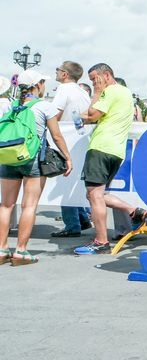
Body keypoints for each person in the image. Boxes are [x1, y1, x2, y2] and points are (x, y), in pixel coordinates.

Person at [74, 64, 147, 255]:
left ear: (106, 75)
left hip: (101, 147)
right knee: (95, 194)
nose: (94, 83)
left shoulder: (109, 92)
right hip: (116, 151)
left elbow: (92, 115)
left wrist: (97, 92)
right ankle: (134, 210)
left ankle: (101, 241)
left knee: (95, 195)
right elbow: (95, 115)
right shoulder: (125, 93)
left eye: (94, 79)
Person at [0, 70, 73, 265]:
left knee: (6, 205)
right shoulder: (44, 107)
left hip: (8, 157)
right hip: (31, 159)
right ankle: (21, 251)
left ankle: (1, 249)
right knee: (29, 205)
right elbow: (56, 136)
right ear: (38, 85)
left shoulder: (11, 106)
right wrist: (67, 157)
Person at [50, 61, 93, 238]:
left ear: (65, 74)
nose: (56, 72)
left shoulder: (63, 89)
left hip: (66, 138)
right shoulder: (82, 91)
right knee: (74, 180)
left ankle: (72, 224)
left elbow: (55, 114)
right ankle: (82, 217)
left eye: (58, 69)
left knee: (64, 181)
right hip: (82, 138)